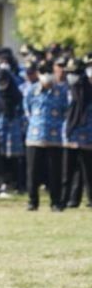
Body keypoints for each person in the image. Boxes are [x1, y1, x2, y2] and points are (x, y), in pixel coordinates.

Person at [24, 60, 68, 211]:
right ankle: (32, 201)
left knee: (55, 172)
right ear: (38, 74)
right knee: (33, 172)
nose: (47, 75)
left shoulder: (61, 92)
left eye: (49, 72)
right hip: (34, 137)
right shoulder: (31, 90)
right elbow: (27, 110)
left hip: (54, 138)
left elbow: (65, 111)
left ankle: (55, 202)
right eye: (43, 72)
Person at [62, 58, 92, 208]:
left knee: (88, 170)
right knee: (70, 170)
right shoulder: (65, 90)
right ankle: (70, 199)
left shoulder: (87, 90)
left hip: (87, 134)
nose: (71, 76)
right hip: (70, 134)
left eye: (74, 73)